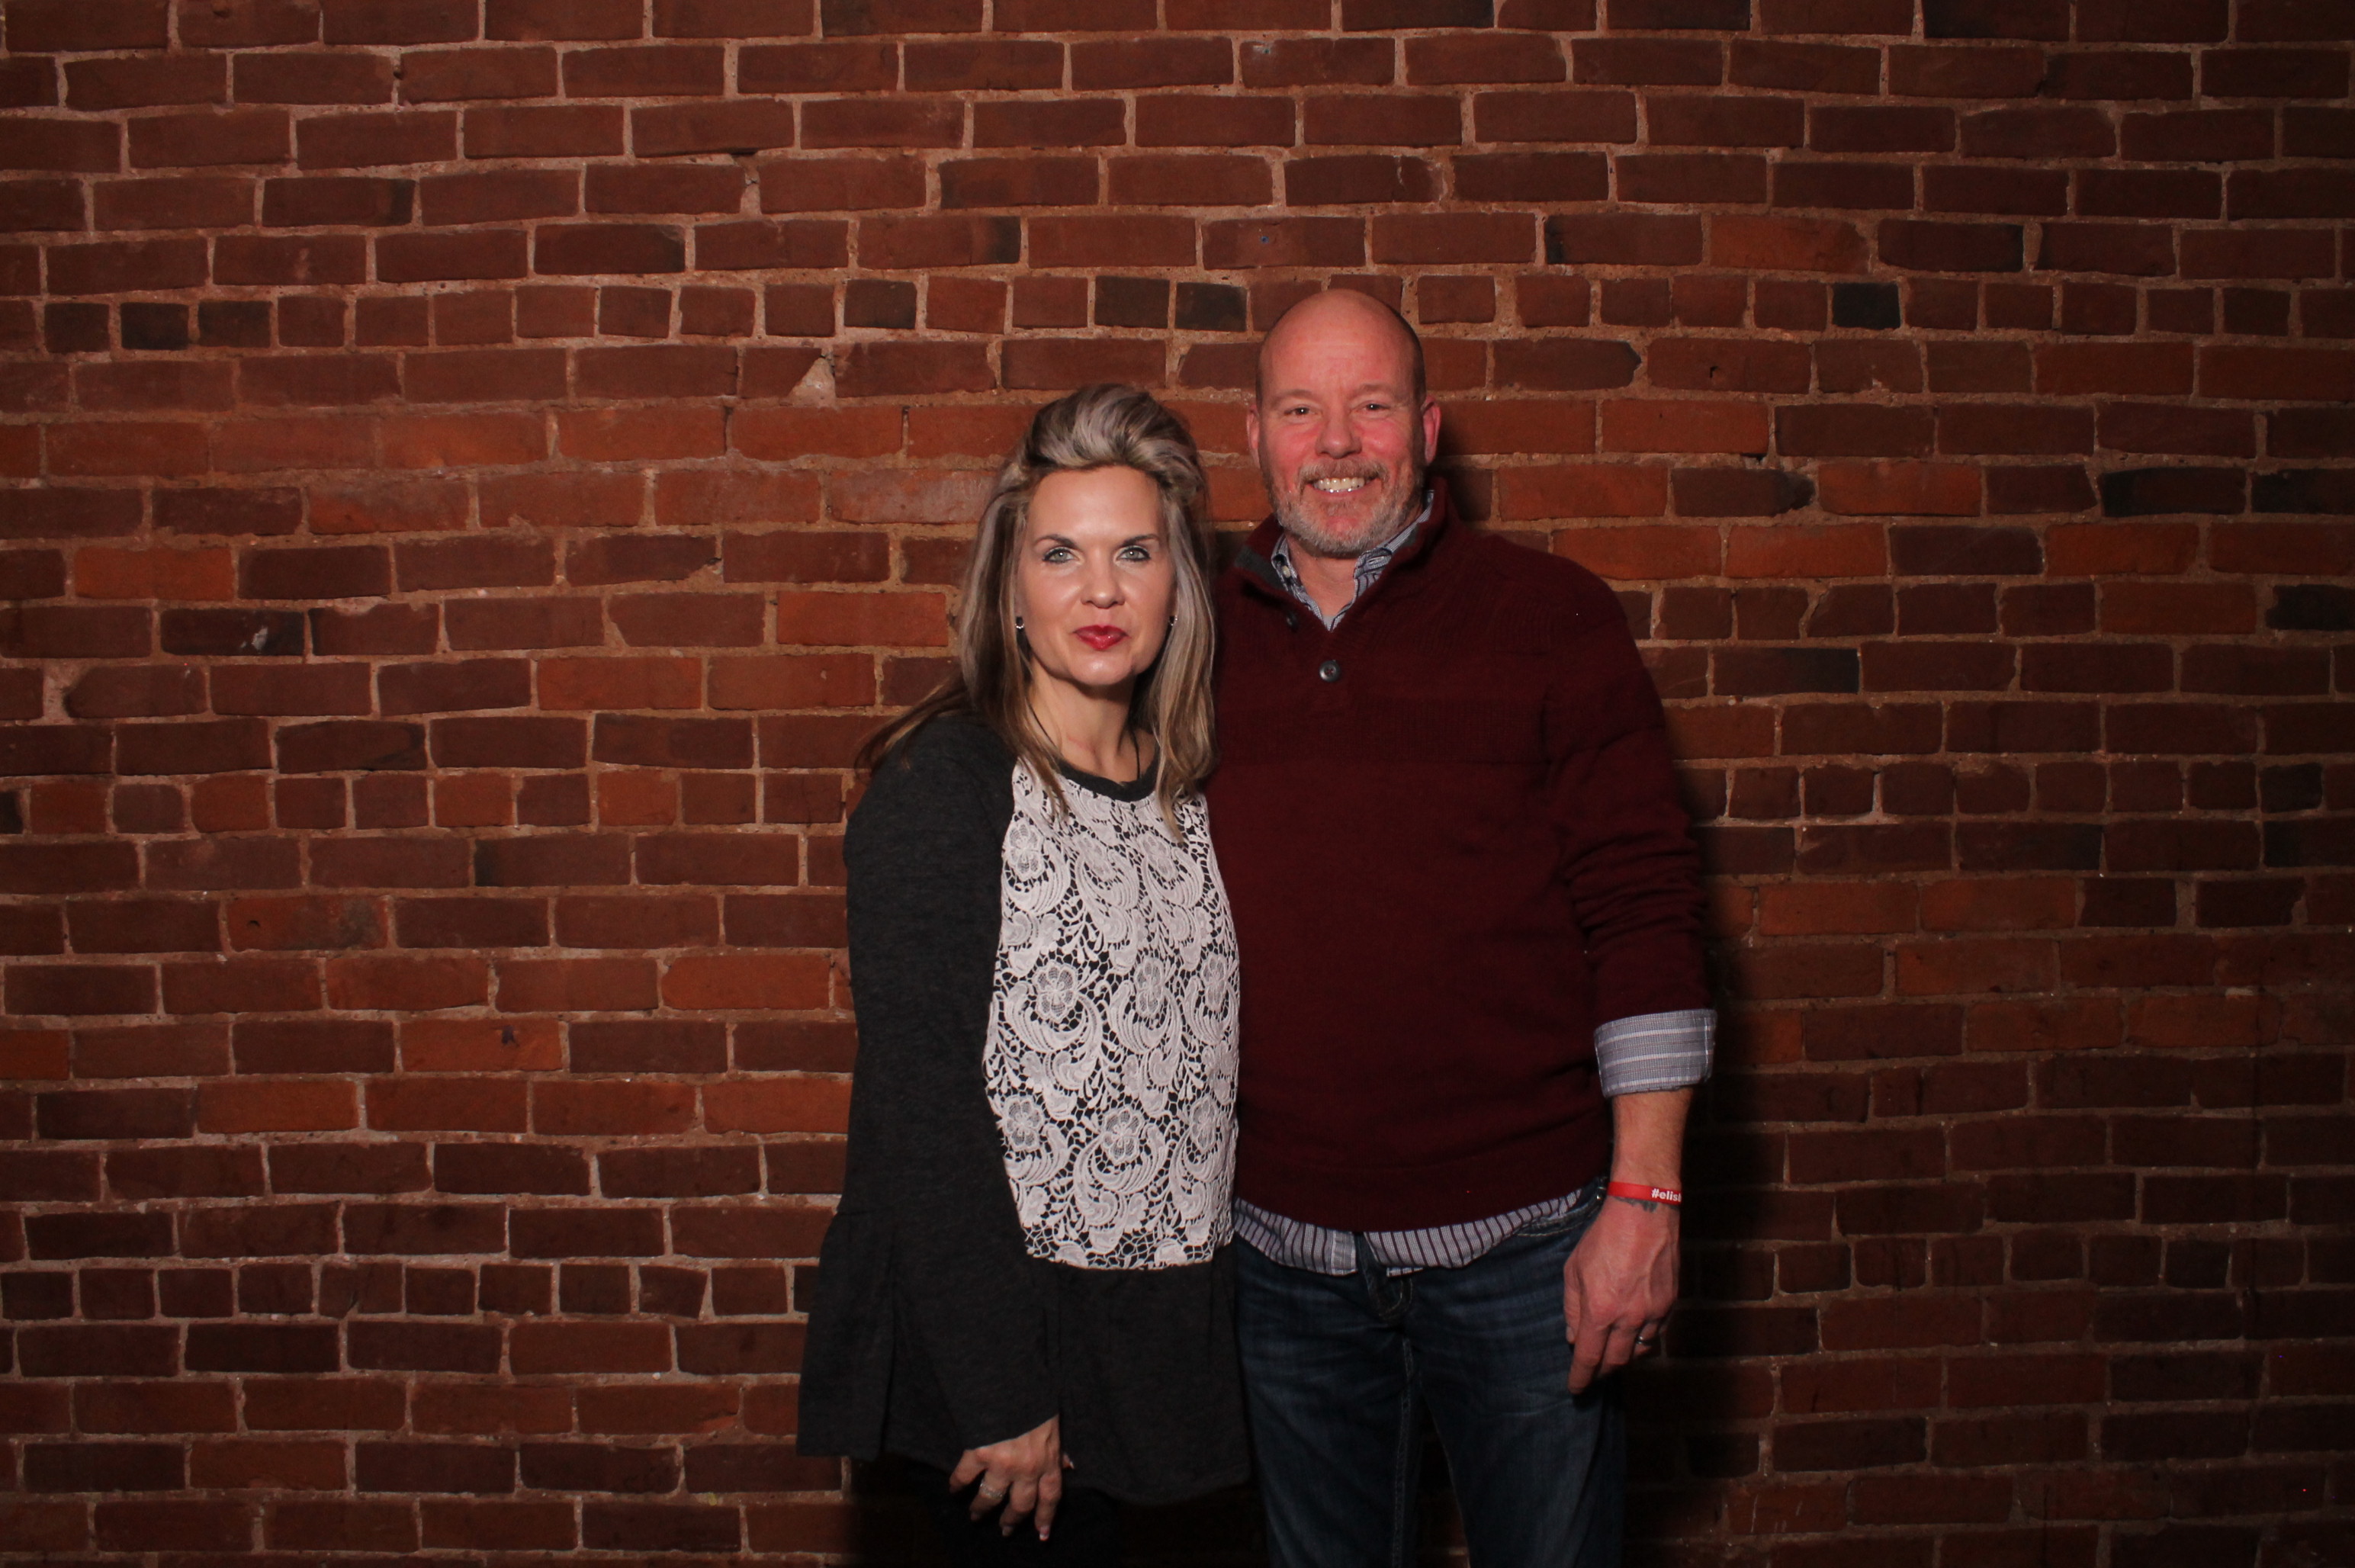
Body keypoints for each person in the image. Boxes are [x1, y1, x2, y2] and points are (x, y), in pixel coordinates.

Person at [1206, 289, 1714, 1566]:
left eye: (1371, 405)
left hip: (1528, 1259)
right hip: (1276, 1266)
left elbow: (1643, 906)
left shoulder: (1553, 618)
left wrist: (1645, 1200)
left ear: (1426, 428)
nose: (1337, 441)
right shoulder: (1185, 630)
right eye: (1302, 409)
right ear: (1256, 435)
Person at [798, 384, 1248, 1565]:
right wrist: (1002, 1392)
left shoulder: (1194, 791)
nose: (1100, 590)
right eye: (1062, 553)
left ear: (1177, 585)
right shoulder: (946, 790)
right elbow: (926, 1113)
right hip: (1011, 1374)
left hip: (1166, 1368)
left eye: (1134, 552)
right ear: (1010, 588)